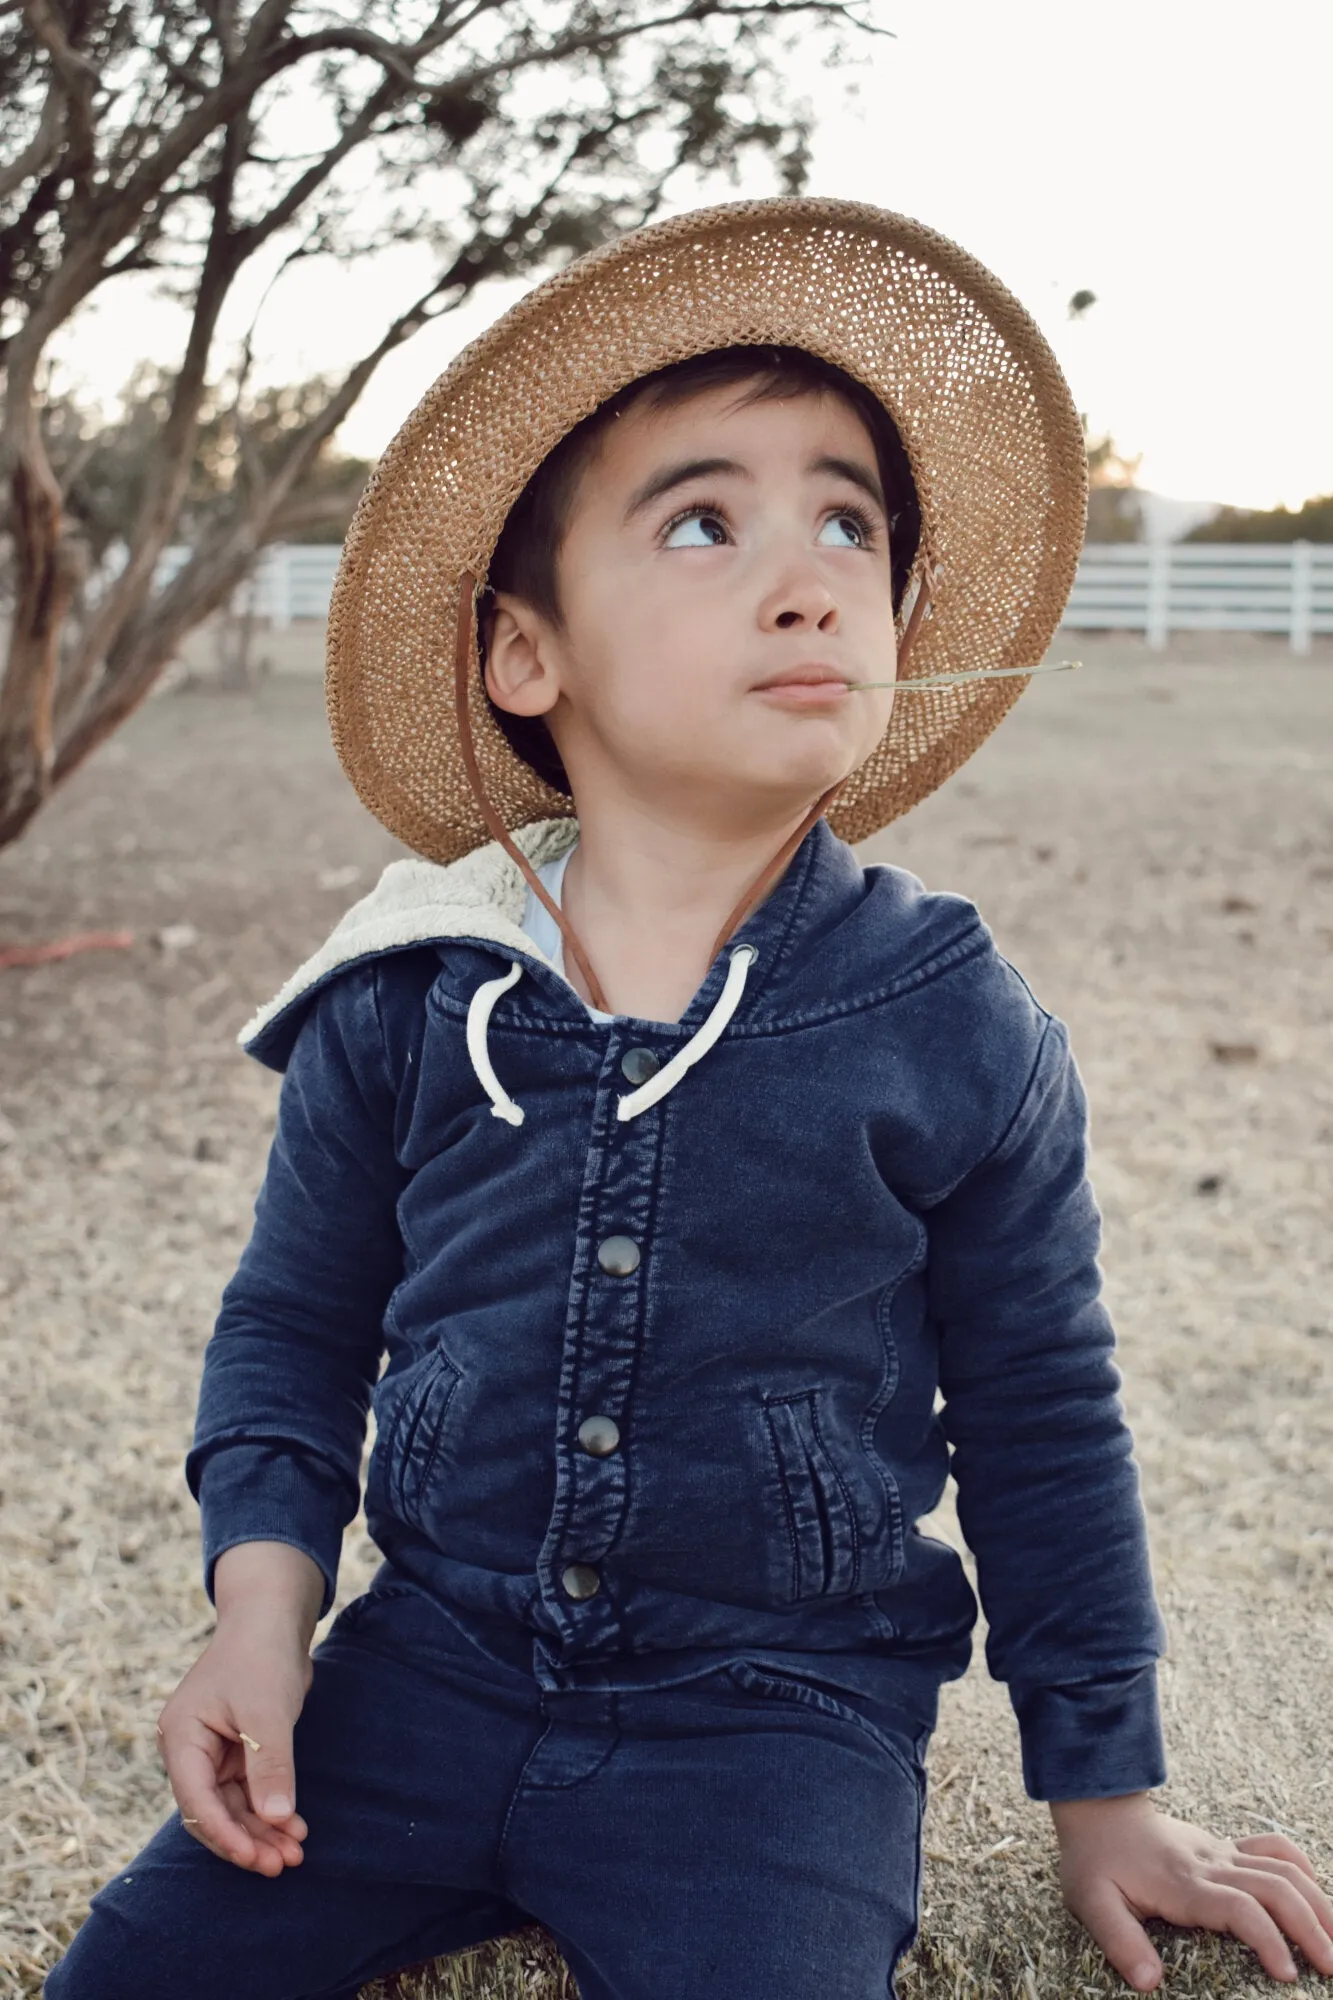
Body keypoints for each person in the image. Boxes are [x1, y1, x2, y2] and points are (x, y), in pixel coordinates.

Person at [47, 197, 1333, 2000]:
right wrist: (262, 1617)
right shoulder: (415, 986)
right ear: (524, 653)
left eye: (850, 524)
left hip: (776, 1727)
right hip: (422, 1674)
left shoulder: (955, 1024)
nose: (809, 574)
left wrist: (1106, 1794)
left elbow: (1045, 1419)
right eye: (706, 521)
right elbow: (293, 1319)